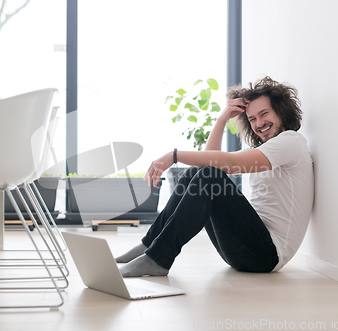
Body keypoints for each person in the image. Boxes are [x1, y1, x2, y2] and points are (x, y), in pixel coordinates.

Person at [116, 76, 314, 277]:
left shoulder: (290, 142)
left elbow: (229, 164)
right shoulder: (267, 148)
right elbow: (207, 163)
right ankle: (149, 247)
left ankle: (158, 258)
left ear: (281, 110)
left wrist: (174, 156)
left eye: (264, 114)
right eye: (252, 119)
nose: (259, 123)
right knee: (196, 173)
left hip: (267, 254)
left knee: (209, 175)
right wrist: (222, 119)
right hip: (246, 248)